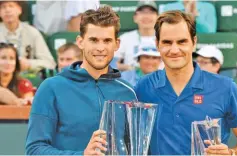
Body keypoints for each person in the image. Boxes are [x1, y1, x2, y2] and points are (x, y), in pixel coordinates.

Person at [135, 10, 237, 155]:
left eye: (182, 41)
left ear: (194, 42)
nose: (174, 50)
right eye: (167, 42)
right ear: (157, 44)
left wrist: (231, 153)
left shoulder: (226, 88)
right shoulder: (143, 88)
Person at [25, 6, 137, 155]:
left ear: (117, 44)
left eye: (107, 41)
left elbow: (134, 148)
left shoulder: (127, 92)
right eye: (93, 40)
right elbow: (34, 150)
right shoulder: (51, 88)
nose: (100, 48)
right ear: (80, 42)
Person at [0, 1, 56, 71]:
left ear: (19, 10)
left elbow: (50, 63)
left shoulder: (32, 32)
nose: (7, 10)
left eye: (11, 6)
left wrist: (29, 64)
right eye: (3, 7)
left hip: (25, 75)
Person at [115, 0, 158, 71]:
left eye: (151, 12)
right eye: (142, 12)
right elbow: (112, 64)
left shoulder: (164, 38)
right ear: (135, 18)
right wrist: (129, 68)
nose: (146, 16)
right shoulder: (125, 38)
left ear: (157, 17)